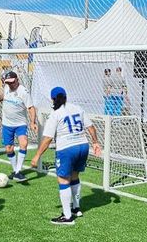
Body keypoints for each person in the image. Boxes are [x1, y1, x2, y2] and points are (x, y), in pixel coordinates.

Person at [30, 86, 101, 224]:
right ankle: (76, 208)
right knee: (74, 176)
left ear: (52, 99)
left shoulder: (55, 114)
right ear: (66, 96)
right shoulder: (77, 108)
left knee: (63, 181)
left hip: (67, 149)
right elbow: (91, 127)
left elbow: (48, 138)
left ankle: (67, 217)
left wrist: (37, 156)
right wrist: (95, 142)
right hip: (83, 146)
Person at [0, 70, 36, 182]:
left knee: (24, 143)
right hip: (7, 124)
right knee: (9, 149)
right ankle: (15, 171)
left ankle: (17, 172)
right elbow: (3, 95)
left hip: (20, 124)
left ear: (17, 80)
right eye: (8, 82)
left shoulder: (23, 92)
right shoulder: (7, 88)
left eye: (12, 82)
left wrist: (32, 122)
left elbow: (31, 108)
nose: (10, 84)